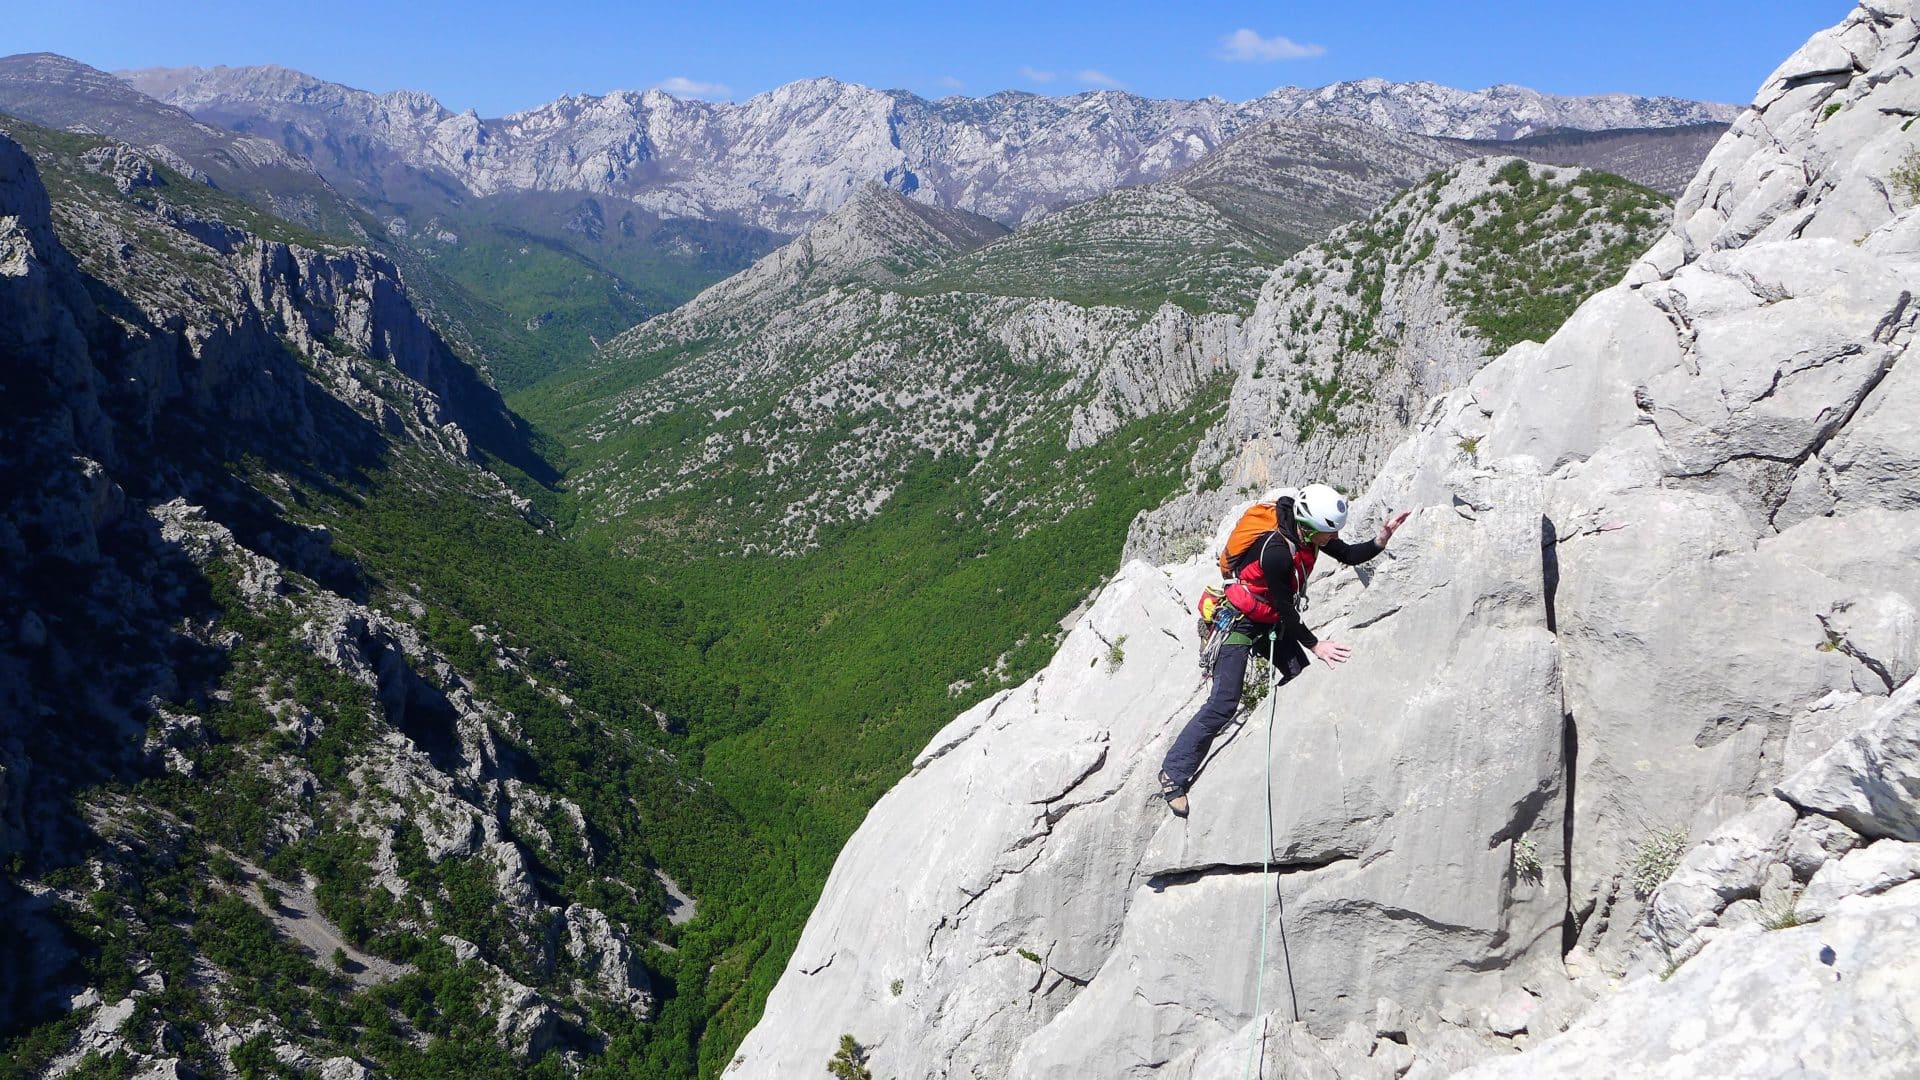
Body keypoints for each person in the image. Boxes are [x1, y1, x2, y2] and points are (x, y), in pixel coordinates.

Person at [1159, 484, 1409, 816]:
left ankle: (1269, 735)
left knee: (1297, 673)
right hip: (1241, 622)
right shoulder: (1276, 550)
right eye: (1327, 533)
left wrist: (1381, 539)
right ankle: (1173, 773)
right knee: (1224, 702)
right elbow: (1287, 610)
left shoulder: (1309, 534)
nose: (1331, 538)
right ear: (1307, 527)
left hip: (1269, 617)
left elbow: (1348, 555)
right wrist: (1316, 644)